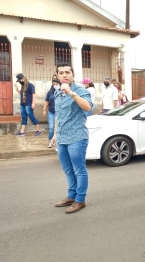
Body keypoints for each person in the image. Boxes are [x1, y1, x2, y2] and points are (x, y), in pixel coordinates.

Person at [53, 62, 93, 214]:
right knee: (68, 170)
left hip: (77, 137)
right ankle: (71, 196)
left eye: (67, 72)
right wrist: (55, 134)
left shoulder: (80, 90)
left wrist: (71, 93)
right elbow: (59, 115)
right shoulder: (57, 92)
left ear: (73, 75)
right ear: (57, 76)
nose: (64, 75)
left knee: (79, 170)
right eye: (61, 73)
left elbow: (88, 107)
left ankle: (80, 200)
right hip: (62, 138)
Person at [43, 78, 61, 148]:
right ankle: (50, 141)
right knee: (51, 127)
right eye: (54, 84)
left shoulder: (62, 91)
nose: (55, 85)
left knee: (58, 127)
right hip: (51, 112)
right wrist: (44, 110)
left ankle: (57, 141)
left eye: (57, 84)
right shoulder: (50, 92)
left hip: (59, 112)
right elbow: (46, 101)